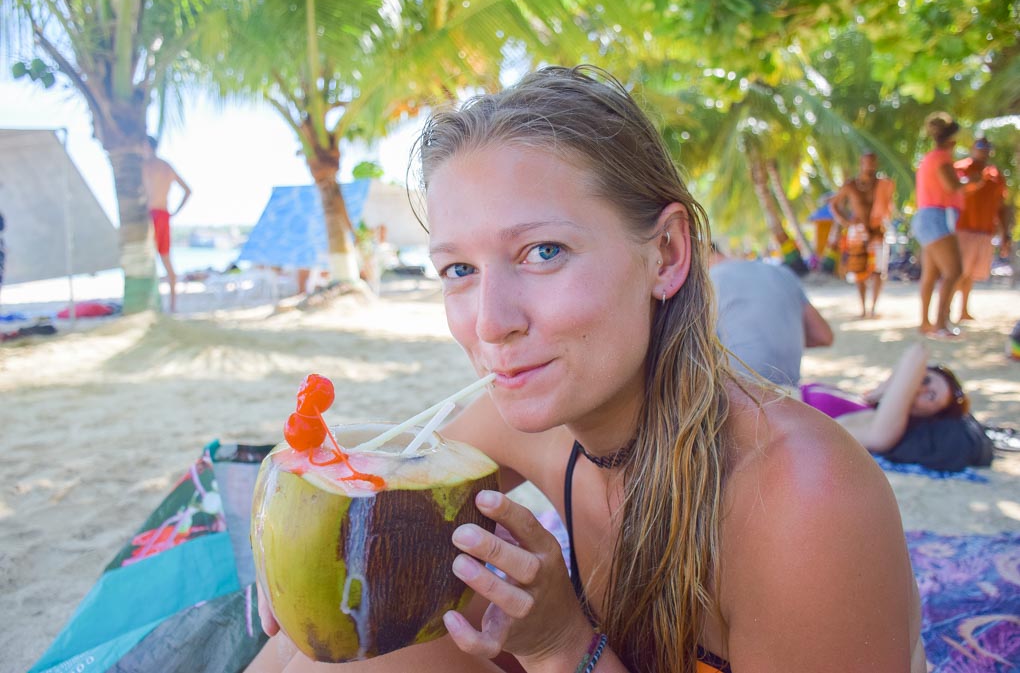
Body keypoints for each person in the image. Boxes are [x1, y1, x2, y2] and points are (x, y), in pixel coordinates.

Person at [253, 66, 924, 673]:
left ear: (667, 254)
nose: (490, 322)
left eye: (543, 251)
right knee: (339, 652)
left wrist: (561, 646)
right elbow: (377, 492)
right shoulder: (528, 425)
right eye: (459, 269)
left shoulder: (803, 497)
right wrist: (295, 540)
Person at [800, 343, 992, 472]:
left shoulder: (884, 430)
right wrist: (880, 390)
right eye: (924, 380)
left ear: (931, 415)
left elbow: (918, 352)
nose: (920, 388)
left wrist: (886, 389)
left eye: (930, 396)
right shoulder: (868, 404)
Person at [709, 245, 833, 386]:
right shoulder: (783, 273)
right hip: (789, 391)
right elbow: (823, 336)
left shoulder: (708, 281)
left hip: (741, 391)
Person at [913, 112, 971, 339]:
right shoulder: (941, 158)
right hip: (936, 218)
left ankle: (927, 323)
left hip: (927, 218)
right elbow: (951, 185)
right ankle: (940, 324)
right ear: (952, 140)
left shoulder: (930, 157)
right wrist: (971, 181)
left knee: (931, 273)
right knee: (954, 271)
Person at [828, 152, 896, 318]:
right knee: (859, 271)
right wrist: (847, 222)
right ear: (861, 163)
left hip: (877, 230)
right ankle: (863, 308)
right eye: (867, 162)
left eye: (873, 163)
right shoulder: (851, 185)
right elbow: (834, 204)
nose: (870, 166)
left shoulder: (882, 184)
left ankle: (873, 308)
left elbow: (888, 208)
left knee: (879, 270)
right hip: (857, 231)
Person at [952, 138, 1007, 321]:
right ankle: (945, 312)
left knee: (971, 273)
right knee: (958, 272)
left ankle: (963, 310)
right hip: (963, 227)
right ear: (972, 148)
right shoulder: (961, 168)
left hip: (985, 230)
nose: (984, 151)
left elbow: (1000, 205)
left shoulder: (995, 174)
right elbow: (953, 192)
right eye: (980, 147)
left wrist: (1005, 233)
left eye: (987, 148)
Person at [141, 135, 191, 312]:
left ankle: (152, 305)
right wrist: (174, 212)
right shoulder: (166, 166)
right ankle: (172, 306)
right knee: (166, 260)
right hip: (164, 215)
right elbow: (188, 191)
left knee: (150, 262)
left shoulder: (145, 166)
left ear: (148, 146)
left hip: (151, 216)